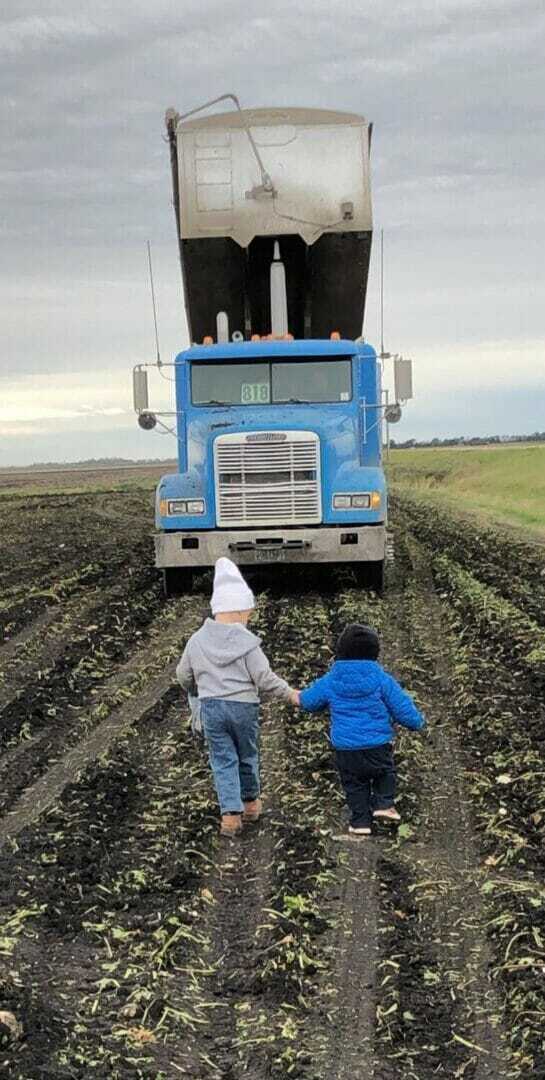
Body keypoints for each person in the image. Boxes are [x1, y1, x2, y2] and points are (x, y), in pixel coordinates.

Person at [176, 558, 298, 836]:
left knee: (222, 759)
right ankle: (251, 803)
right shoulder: (248, 644)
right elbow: (264, 679)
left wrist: (196, 689)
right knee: (247, 754)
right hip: (244, 708)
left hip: (212, 708)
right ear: (243, 610)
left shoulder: (196, 641)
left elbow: (183, 674)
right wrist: (290, 694)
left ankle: (230, 816)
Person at [296, 623, 424, 837]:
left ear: (340, 652)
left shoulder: (332, 679)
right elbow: (401, 706)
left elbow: (309, 701)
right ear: (375, 652)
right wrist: (417, 722)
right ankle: (384, 804)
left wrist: (295, 696)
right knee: (385, 773)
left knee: (354, 784)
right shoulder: (381, 679)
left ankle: (360, 823)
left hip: (346, 749)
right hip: (377, 745)